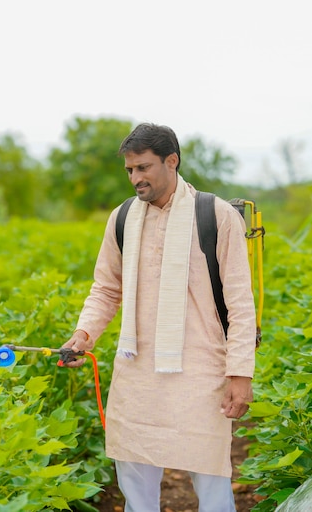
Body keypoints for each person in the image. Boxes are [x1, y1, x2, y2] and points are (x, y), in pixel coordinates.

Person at [61, 123, 256, 512]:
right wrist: (83, 334)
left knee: (211, 477)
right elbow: (106, 289)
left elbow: (240, 302)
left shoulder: (215, 215)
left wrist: (240, 373)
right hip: (136, 369)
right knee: (133, 472)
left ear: (172, 161)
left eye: (144, 168)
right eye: (130, 170)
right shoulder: (122, 218)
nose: (135, 178)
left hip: (202, 369)